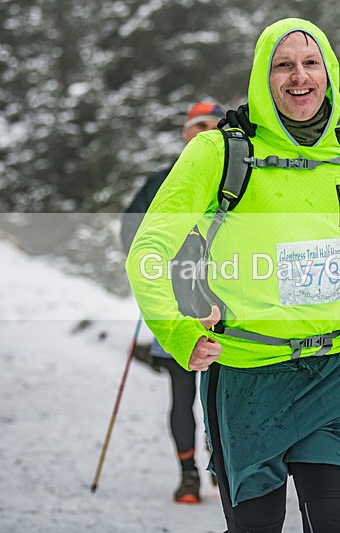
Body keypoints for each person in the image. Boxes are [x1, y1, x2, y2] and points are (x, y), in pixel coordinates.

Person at [126, 18, 340, 533]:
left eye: (311, 63)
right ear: (262, 78)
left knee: (338, 522)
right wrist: (177, 330)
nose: (299, 76)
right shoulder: (218, 153)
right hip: (246, 378)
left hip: (335, 374)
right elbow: (149, 250)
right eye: (283, 65)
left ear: (330, 73)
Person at [120, 100, 225, 504]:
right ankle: (188, 475)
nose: (204, 132)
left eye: (212, 125)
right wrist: (149, 268)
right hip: (177, 302)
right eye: (197, 126)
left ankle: (219, 460)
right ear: (186, 133)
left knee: (221, 389)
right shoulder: (160, 181)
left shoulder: (237, 176)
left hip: (227, 302)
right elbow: (130, 231)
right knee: (183, 393)